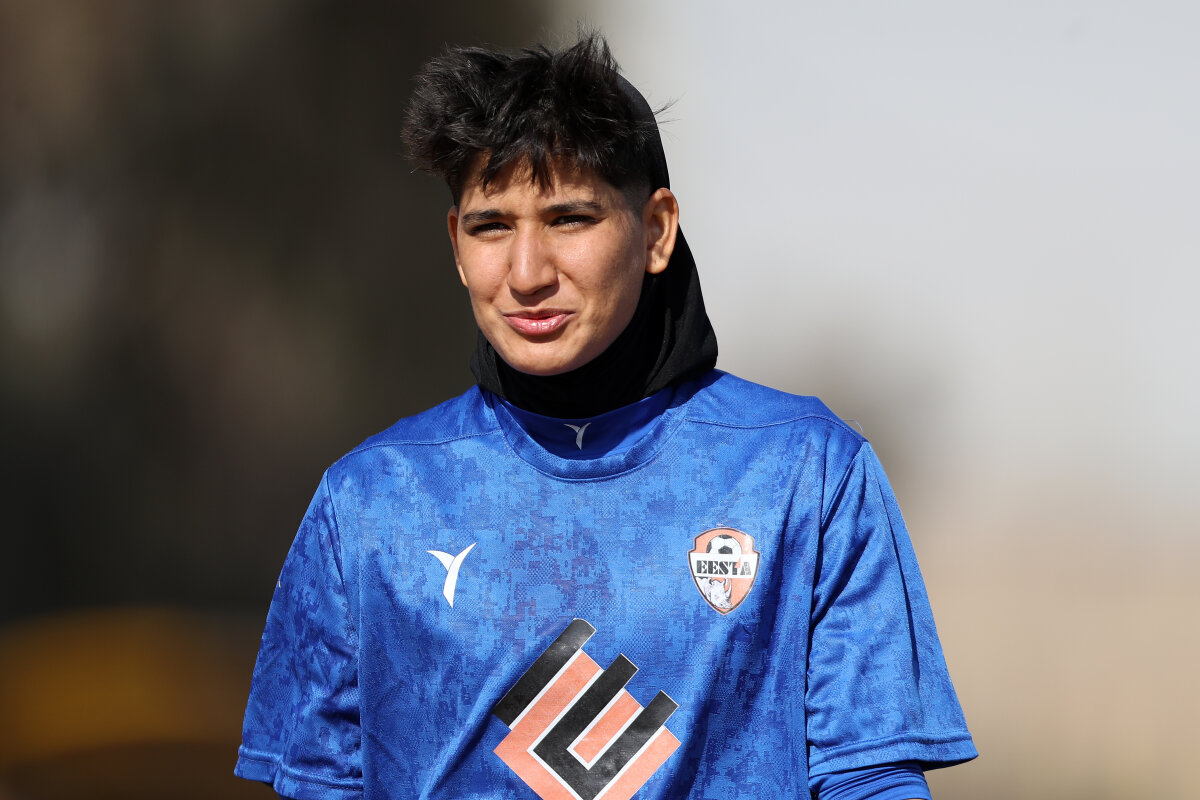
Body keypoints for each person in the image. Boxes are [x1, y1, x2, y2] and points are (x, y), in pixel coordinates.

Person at [235, 33, 976, 800]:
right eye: (492, 226)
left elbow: (869, 780)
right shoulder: (368, 503)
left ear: (656, 231)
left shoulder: (807, 476)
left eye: (570, 219)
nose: (527, 273)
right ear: (456, 245)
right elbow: (317, 785)